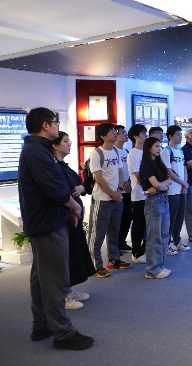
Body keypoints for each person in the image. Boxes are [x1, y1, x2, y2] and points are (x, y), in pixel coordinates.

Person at [18, 107, 94, 350]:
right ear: (45, 125)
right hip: (48, 224)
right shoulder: (37, 152)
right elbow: (53, 187)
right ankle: (63, 333)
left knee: (42, 277)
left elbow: (55, 185)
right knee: (55, 280)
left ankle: (42, 325)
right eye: (55, 122)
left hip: (46, 221)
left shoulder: (37, 150)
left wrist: (69, 207)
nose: (57, 126)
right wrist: (75, 206)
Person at [52, 131, 96, 310]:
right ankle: (63, 295)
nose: (69, 144)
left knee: (74, 254)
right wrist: (74, 208)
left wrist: (81, 187)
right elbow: (59, 192)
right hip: (65, 217)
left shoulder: (65, 167)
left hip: (74, 218)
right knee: (64, 257)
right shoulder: (53, 167)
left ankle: (68, 289)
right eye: (65, 141)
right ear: (55, 145)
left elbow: (82, 184)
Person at [87, 122, 131, 278]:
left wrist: (118, 190)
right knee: (96, 234)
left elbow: (120, 172)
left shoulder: (116, 151)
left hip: (117, 198)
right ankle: (95, 265)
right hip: (102, 199)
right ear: (103, 136)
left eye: (115, 131)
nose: (115, 133)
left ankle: (114, 260)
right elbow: (98, 178)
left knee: (114, 231)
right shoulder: (97, 153)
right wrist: (112, 193)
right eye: (111, 131)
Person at [139, 137, 173, 279]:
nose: (159, 149)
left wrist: (160, 186)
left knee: (164, 235)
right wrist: (160, 186)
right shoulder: (145, 164)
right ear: (149, 148)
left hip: (163, 199)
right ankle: (152, 270)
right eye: (156, 146)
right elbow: (156, 184)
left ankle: (160, 266)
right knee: (154, 237)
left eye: (160, 146)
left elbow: (169, 180)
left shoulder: (159, 163)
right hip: (154, 202)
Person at [160, 125, 191, 254]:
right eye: (178, 134)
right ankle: (166, 244)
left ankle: (177, 241)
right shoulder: (166, 151)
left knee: (180, 216)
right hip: (172, 190)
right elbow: (168, 172)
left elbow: (184, 168)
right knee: (170, 218)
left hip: (181, 189)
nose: (180, 137)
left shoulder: (180, 151)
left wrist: (185, 184)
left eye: (180, 134)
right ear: (170, 136)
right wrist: (183, 183)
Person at [127, 124, 148, 264]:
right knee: (139, 224)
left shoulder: (147, 152)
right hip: (139, 194)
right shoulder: (133, 154)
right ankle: (136, 252)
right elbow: (138, 176)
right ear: (135, 136)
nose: (146, 136)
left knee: (147, 225)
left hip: (150, 194)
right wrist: (153, 185)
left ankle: (145, 250)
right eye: (143, 134)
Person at [114, 124, 132, 252]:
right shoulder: (112, 151)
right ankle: (115, 244)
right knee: (117, 218)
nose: (126, 134)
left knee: (127, 216)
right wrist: (122, 184)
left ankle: (122, 241)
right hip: (117, 190)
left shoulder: (126, 151)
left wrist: (129, 181)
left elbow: (131, 169)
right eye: (123, 132)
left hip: (128, 189)